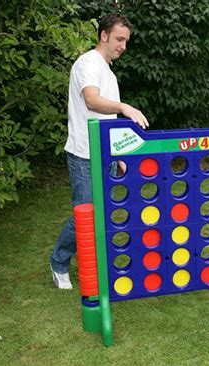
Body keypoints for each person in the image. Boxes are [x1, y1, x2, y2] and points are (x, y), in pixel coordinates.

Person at [50, 13, 149, 289]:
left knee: (102, 213)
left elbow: (108, 122)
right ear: (103, 35)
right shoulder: (88, 63)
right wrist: (124, 107)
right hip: (84, 154)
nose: (123, 46)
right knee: (87, 212)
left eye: (126, 41)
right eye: (119, 39)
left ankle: (92, 263)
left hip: (104, 154)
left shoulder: (108, 72)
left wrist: (117, 155)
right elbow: (92, 101)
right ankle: (58, 262)